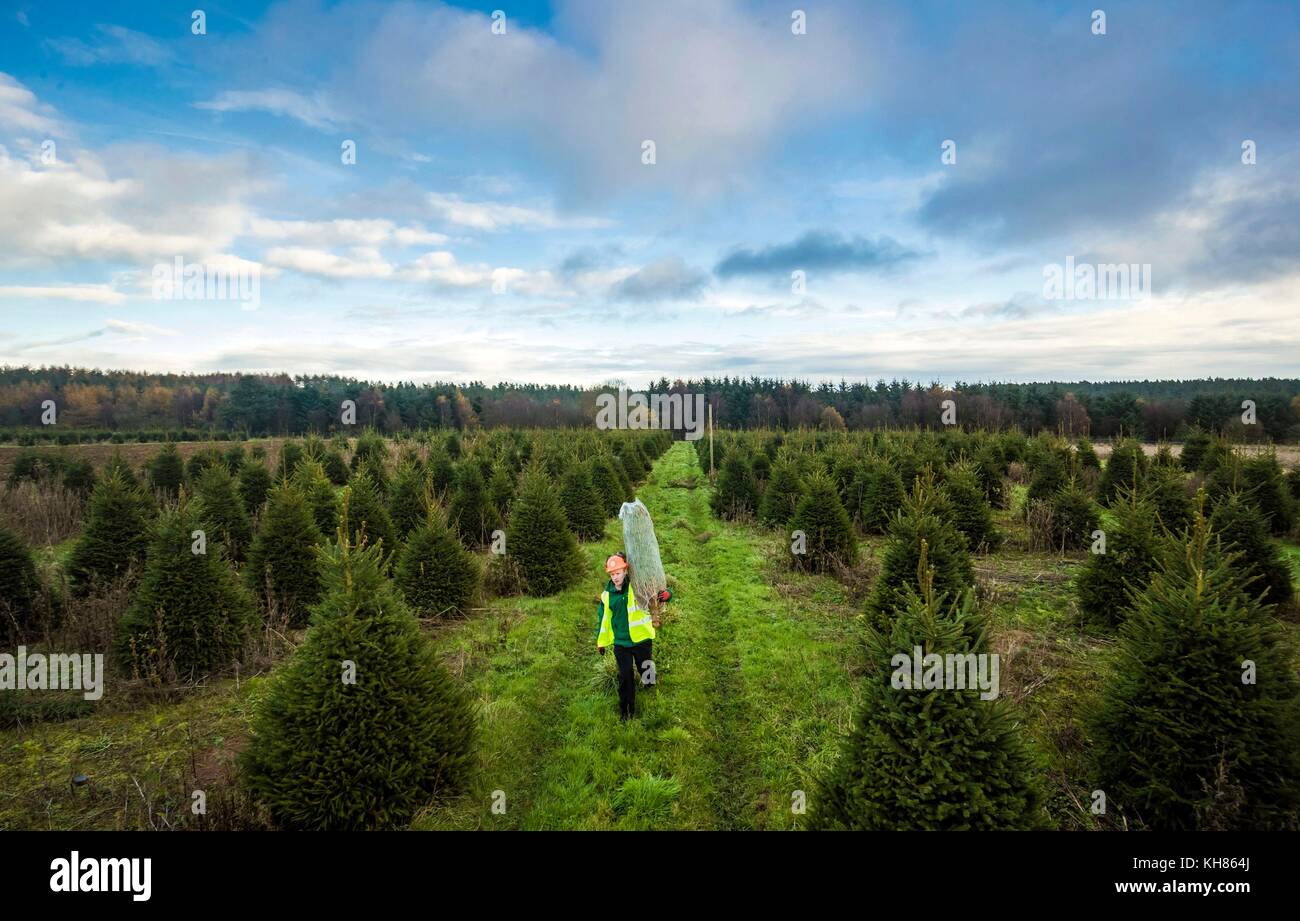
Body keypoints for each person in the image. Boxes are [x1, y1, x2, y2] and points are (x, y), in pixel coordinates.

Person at [596, 552, 671, 720]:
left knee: (646, 665)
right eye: (612, 574)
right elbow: (603, 620)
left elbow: (658, 588)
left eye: (618, 573)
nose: (615, 577)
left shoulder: (636, 585)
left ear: (625, 571)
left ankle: (650, 685)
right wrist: (600, 642)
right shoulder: (607, 596)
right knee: (625, 675)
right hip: (621, 643)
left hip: (642, 638)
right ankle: (626, 711)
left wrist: (668, 595)